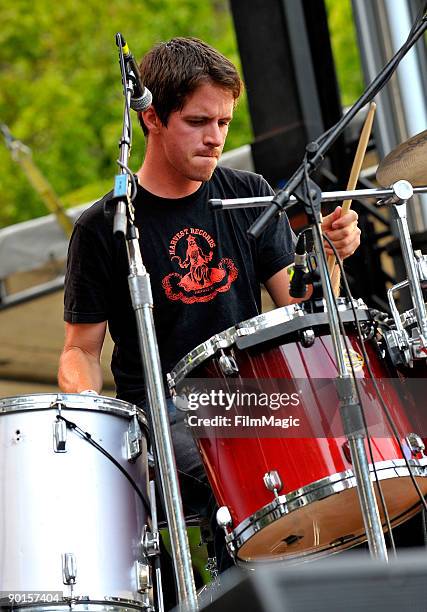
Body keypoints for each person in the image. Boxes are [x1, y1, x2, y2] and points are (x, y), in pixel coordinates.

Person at [58, 36, 360, 590]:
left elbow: (296, 307)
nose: (216, 138)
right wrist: (85, 416)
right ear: (151, 117)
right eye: (199, 121)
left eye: (223, 122)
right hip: (166, 413)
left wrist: (328, 256)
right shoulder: (104, 228)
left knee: (378, 425)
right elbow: (80, 348)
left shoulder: (248, 193)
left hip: (260, 399)